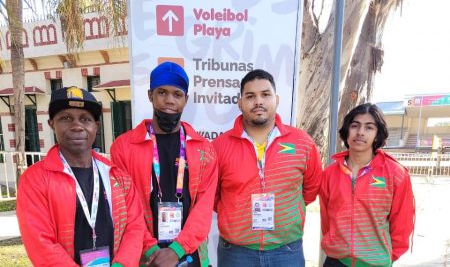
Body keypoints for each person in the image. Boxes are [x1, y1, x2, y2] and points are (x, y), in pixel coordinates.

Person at [16, 86, 146, 266]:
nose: (77, 126)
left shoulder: (117, 176)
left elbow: (135, 228)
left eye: (85, 119)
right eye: (66, 118)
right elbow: (40, 242)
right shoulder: (35, 179)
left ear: (96, 127)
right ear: (52, 123)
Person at [110, 62, 218, 267]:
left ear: (185, 100)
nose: (169, 100)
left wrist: (176, 251)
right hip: (145, 256)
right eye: (162, 92)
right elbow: (125, 208)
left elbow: (203, 209)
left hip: (190, 254)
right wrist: (153, 251)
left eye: (177, 94)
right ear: (150, 95)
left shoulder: (204, 149)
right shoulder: (124, 147)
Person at [213, 69, 323, 267]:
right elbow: (213, 196)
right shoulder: (220, 146)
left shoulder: (302, 143)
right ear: (240, 103)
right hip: (236, 253)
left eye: (265, 94)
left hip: (286, 250)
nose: (258, 102)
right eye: (250, 96)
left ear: (277, 99)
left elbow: (311, 188)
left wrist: (286, 213)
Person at [320, 103, 415, 267]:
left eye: (369, 127)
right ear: (347, 131)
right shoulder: (330, 173)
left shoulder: (395, 174)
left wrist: (387, 256)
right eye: (355, 126)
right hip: (336, 261)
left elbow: (403, 222)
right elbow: (326, 220)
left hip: (375, 263)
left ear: (378, 134)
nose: (360, 132)